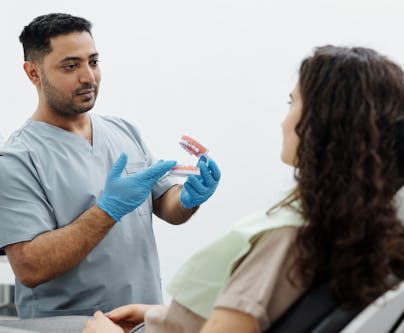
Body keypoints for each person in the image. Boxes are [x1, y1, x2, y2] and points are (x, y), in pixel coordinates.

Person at [82, 45, 404, 333]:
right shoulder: (358, 226)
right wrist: (161, 317)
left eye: (292, 103)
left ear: (321, 124)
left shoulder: (287, 237)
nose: (283, 120)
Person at [0, 13, 221, 319]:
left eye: (93, 62)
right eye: (71, 66)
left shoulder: (124, 131)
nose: (88, 77)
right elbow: (29, 267)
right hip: (77, 327)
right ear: (34, 73)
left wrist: (189, 198)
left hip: (142, 319)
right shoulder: (18, 158)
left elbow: (167, 205)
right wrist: (107, 211)